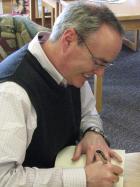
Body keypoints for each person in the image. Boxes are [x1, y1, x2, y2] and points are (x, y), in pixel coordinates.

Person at [0, 1, 124, 187]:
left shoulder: (70, 70)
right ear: (68, 39)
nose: (100, 73)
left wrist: (93, 132)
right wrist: (83, 178)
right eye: (98, 62)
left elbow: (88, 112)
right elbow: (4, 178)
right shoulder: (11, 93)